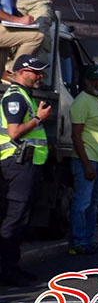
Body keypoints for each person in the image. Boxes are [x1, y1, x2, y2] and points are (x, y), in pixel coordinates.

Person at [0, 54, 50, 285]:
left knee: (21, 219)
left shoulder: (24, 96)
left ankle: (12, 267)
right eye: (36, 71)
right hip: (17, 164)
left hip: (26, 164)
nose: (40, 76)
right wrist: (38, 119)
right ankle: (8, 272)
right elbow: (14, 132)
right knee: (15, 219)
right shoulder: (15, 97)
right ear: (21, 71)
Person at [69, 65, 98, 255]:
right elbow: (76, 136)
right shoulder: (81, 102)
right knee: (82, 203)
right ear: (86, 82)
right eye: (95, 81)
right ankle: (78, 241)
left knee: (92, 203)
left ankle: (88, 238)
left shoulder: (95, 101)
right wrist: (86, 164)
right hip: (86, 160)